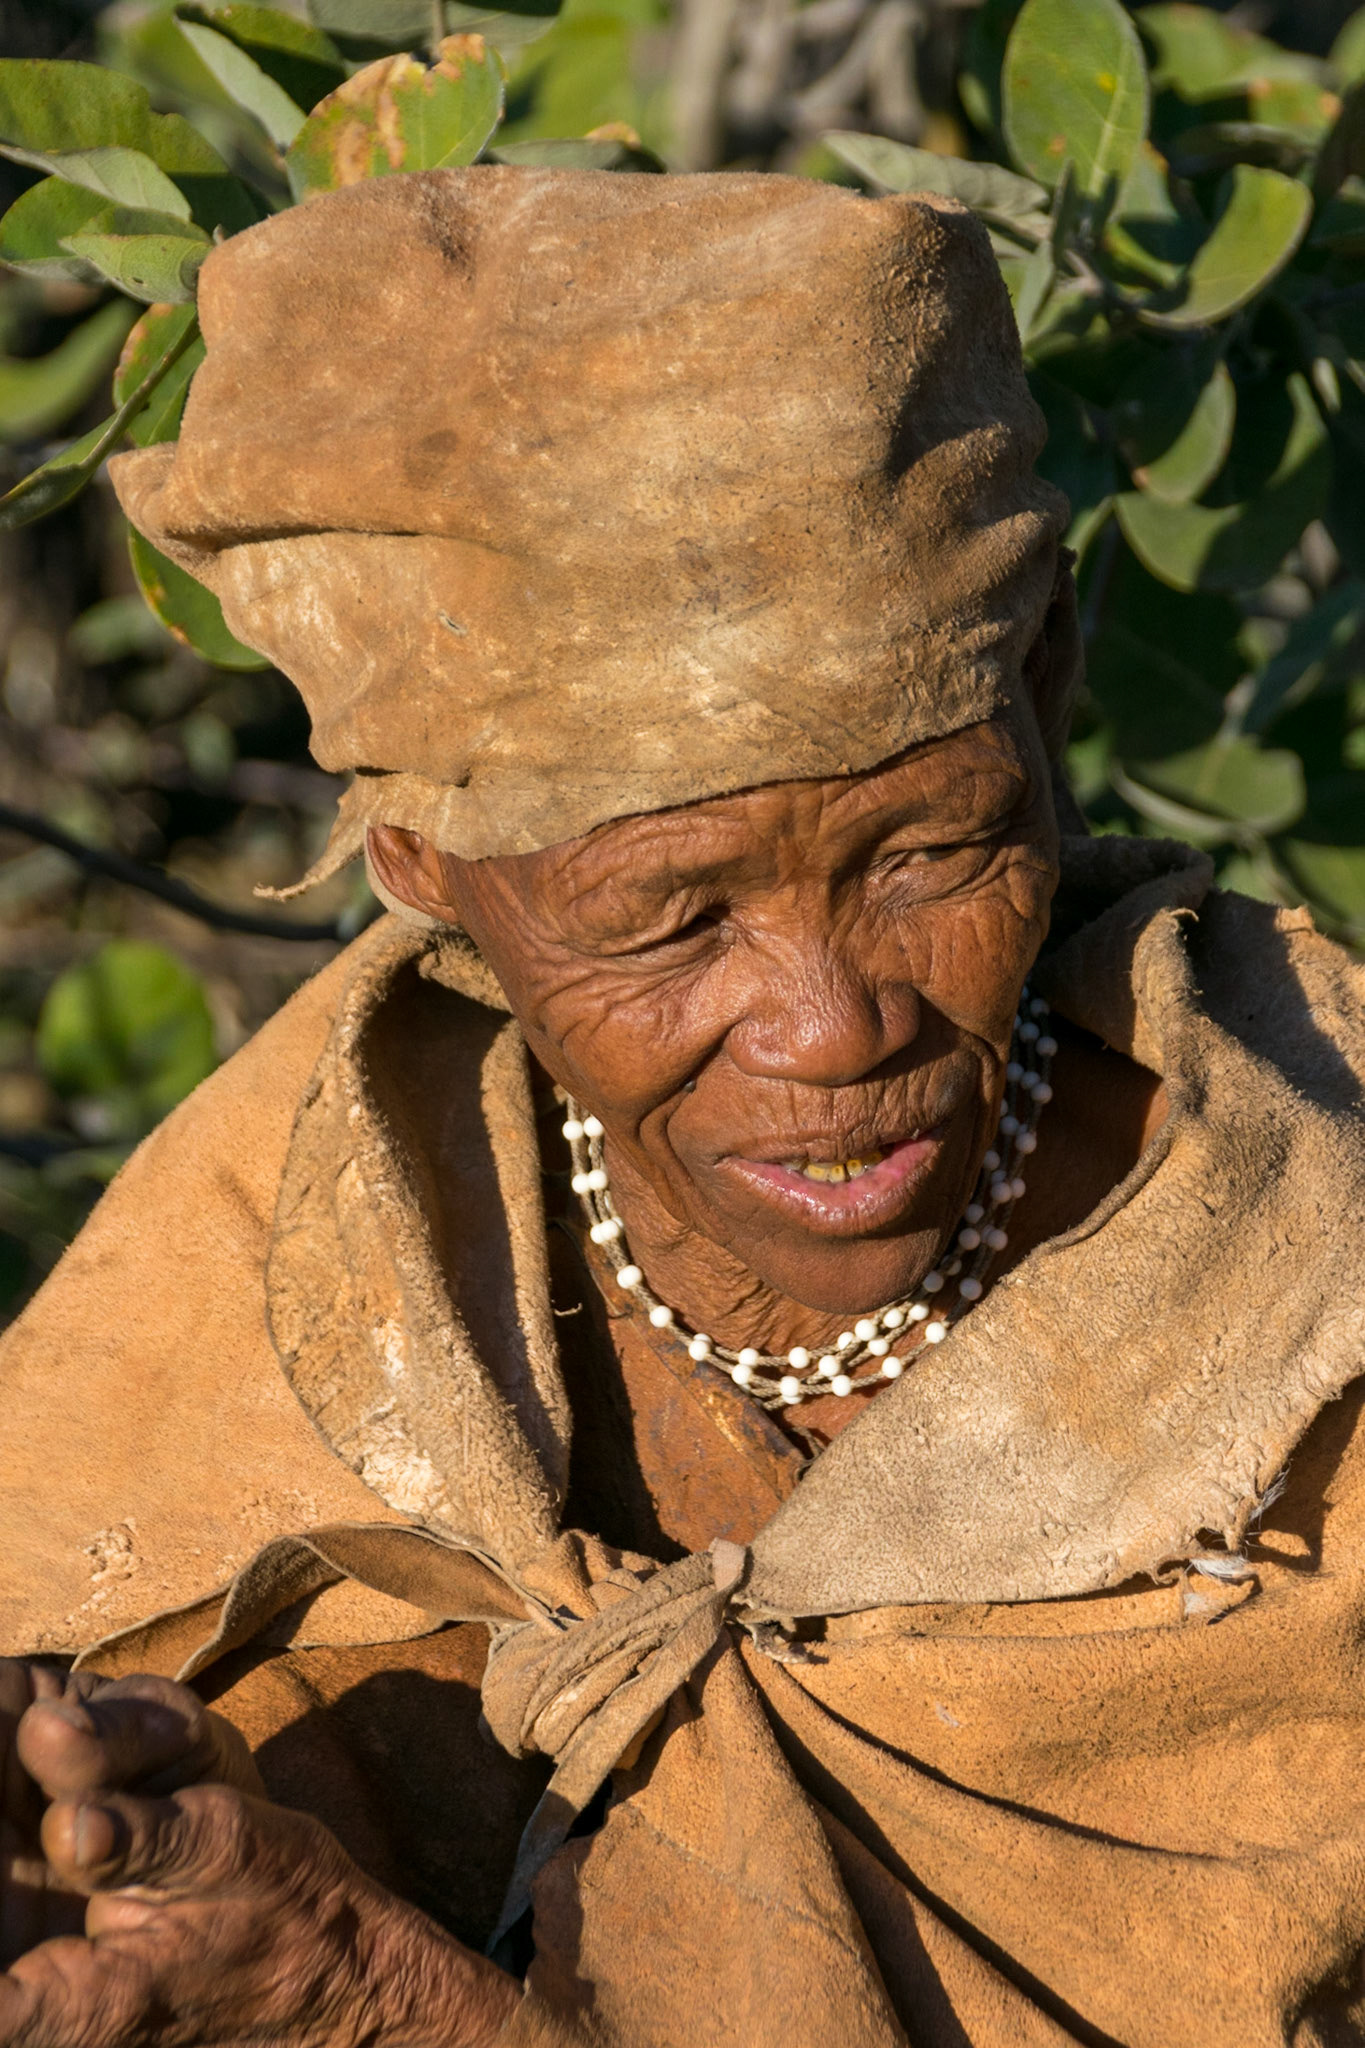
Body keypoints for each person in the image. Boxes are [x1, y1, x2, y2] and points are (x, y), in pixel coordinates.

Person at [0, 167, 1363, 2048]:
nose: (829, 1025)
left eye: (927, 854)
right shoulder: (256, 1295)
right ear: (420, 860)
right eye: (664, 922)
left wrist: (377, 2011)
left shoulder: (1311, 1272)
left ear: (1045, 689)